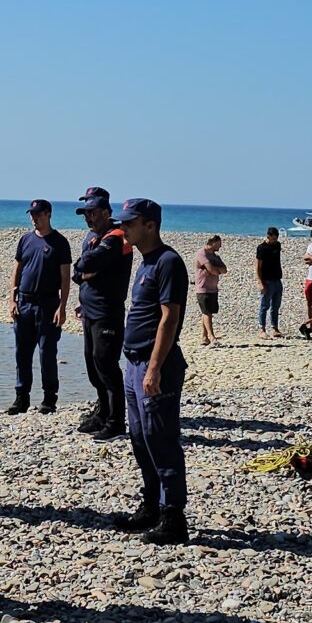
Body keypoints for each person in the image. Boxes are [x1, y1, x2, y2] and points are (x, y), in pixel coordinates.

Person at [115, 199, 192, 544]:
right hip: (133, 363)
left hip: (154, 364)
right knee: (140, 437)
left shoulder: (168, 262)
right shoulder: (144, 262)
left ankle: (173, 516)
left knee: (161, 438)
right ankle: (151, 504)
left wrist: (155, 368)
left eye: (130, 224)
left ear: (150, 225)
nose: (124, 229)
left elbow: (169, 318)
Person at [71, 188, 133, 440]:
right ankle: (103, 411)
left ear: (107, 212)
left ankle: (117, 421)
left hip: (107, 312)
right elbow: (78, 272)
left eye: (93, 213)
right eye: (86, 213)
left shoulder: (116, 237)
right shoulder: (92, 237)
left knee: (106, 365)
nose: (89, 218)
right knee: (93, 365)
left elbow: (86, 264)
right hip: (89, 311)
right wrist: (85, 272)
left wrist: (86, 269)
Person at [6, 199, 72, 414]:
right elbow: (17, 270)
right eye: (32, 214)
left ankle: (49, 398)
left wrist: (62, 307)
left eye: (38, 214)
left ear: (48, 214)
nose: (34, 218)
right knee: (22, 353)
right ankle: (21, 397)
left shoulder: (60, 242)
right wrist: (12, 299)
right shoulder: (25, 240)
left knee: (47, 353)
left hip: (48, 303)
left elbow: (65, 278)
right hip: (24, 302)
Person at [193, 236, 227, 346]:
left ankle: (204, 337)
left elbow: (224, 269)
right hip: (203, 288)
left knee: (208, 312)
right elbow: (211, 269)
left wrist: (216, 270)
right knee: (207, 312)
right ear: (212, 243)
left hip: (213, 288)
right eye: (218, 243)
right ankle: (212, 337)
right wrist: (216, 270)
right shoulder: (201, 253)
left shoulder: (215, 256)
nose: (220, 246)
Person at [254, 227, 286, 340]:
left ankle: (274, 328)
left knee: (276, 306)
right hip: (266, 280)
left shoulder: (277, 245)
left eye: (276, 238)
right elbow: (257, 266)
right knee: (264, 306)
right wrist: (260, 282)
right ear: (268, 237)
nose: (274, 240)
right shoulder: (262, 248)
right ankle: (262, 329)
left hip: (277, 279)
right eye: (273, 239)